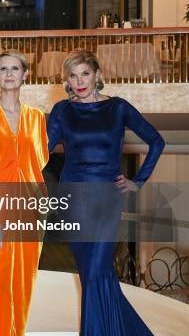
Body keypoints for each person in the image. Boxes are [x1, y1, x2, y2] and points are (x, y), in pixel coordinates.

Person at [47, 49, 164, 335]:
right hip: (74, 199)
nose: (79, 81)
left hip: (107, 200)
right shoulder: (62, 110)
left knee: (97, 270)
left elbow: (156, 141)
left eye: (85, 73)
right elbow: (40, 151)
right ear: (67, 81)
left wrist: (138, 180)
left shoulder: (119, 108)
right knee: (91, 275)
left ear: (97, 75)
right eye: (73, 76)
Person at [0, 50, 48, 336]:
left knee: (24, 284)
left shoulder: (37, 118)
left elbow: (38, 164)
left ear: (25, 74)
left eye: (15, 68)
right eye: (3, 69)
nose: (10, 73)